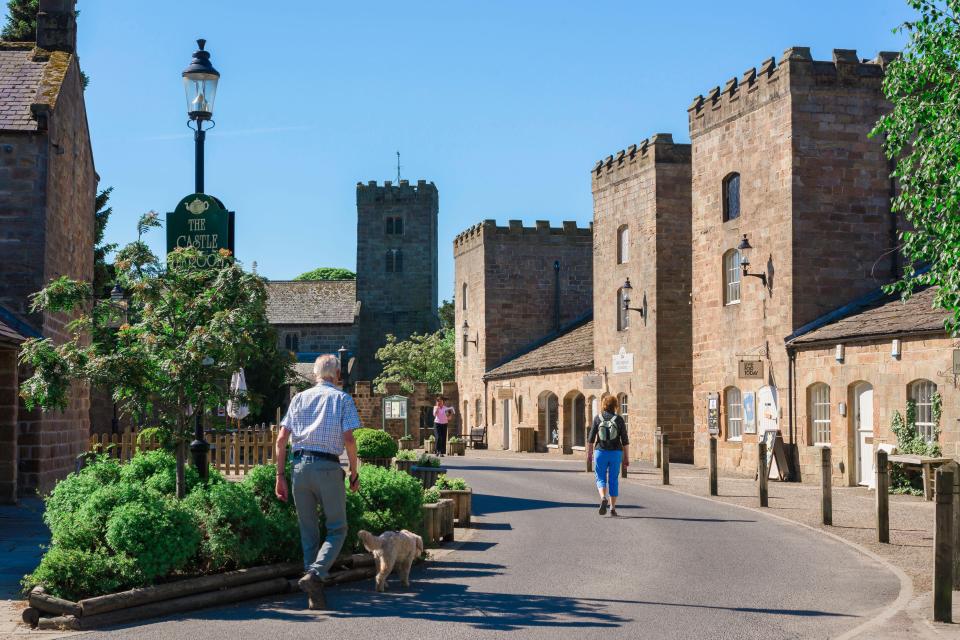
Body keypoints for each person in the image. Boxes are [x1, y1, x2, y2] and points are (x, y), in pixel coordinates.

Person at [274, 354, 361, 610]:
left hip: (299, 467)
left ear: (314, 374)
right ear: (337, 376)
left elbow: (280, 440)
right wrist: (354, 472)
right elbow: (349, 440)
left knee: (308, 532)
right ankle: (315, 574)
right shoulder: (342, 398)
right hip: (327, 467)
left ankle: (314, 594)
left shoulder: (299, 398)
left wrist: (280, 476)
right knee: (337, 529)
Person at [587, 394, 630, 516]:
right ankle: (612, 508)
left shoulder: (597, 418)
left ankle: (602, 498)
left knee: (600, 478)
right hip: (616, 453)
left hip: (600, 452)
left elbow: (590, 439)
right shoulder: (619, 420)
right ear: (616, 405)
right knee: (613, 480)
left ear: (603, 405)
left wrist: (590, 455)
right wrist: (626, 457)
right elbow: (625, 441)